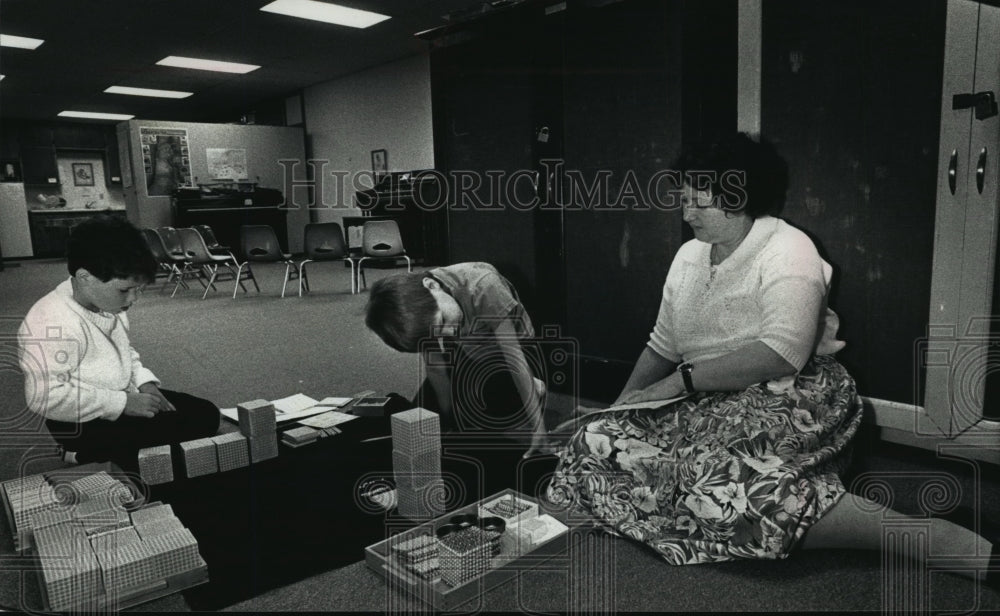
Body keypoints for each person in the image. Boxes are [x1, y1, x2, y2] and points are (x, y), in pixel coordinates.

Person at [545, 133, 996, 583]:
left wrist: (680, 382)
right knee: (594, 440)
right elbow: (661, 345)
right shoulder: (687, 256)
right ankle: (715, 505)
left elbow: (782, 354)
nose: (686, 215)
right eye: (683, 201)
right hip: (702, 397)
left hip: (788, 391)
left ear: (738, 198)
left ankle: (919, 534)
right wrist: (620, 407)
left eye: (698, 204)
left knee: (728, 481)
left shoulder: (789, 247)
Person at [17, 215, 220, 471]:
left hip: (123, 394)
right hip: (77, 419)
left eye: (139, 289)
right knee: (158, 457)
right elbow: (44, 397)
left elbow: (126, 352)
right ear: (84, 277)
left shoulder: (107, 304)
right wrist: (121, 404)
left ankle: (100, 451)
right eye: (125, 290)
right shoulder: (50, 322)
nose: (133, 299)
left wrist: (144, 382)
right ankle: (79, 451)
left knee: (206, 414)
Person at [365, 262, 554, 458]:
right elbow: (436, 368)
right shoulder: (422, 312)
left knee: (479, 416)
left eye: (443, 321)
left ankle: (535, 387)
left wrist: (539, 428)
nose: (449, 331)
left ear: (432, 285)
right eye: (436, 334)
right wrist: (447, 422)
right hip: (468, 350)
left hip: (512, 355)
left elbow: (515, 359)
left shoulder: (484, 286)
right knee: (420, 415)